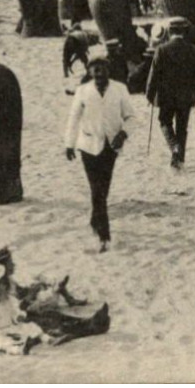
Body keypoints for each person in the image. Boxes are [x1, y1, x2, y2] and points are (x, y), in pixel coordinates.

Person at [65, 56, 133, 252]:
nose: (99, 72)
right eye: (94, 69)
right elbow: (73, 118)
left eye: (102, 68)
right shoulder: (83, 91)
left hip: (111, 146)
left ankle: (95, 220)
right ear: (89, 72)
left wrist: (123, 133)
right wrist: (69, 144)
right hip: (87, 145)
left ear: (108, 70)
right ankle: (104, 236)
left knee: (102, 189)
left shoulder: (120, 89)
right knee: (97, 190)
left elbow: (131, 117)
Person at [145, 23, 195, 170]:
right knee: (182, 127)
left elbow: (153, 76)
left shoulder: (161, 50)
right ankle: (179, 159)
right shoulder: (194, 50)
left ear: (169, 32)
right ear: (185, 31)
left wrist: (149, 95)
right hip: (186, 96)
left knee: (164, 121)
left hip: (166, 97)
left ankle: (174, 147)